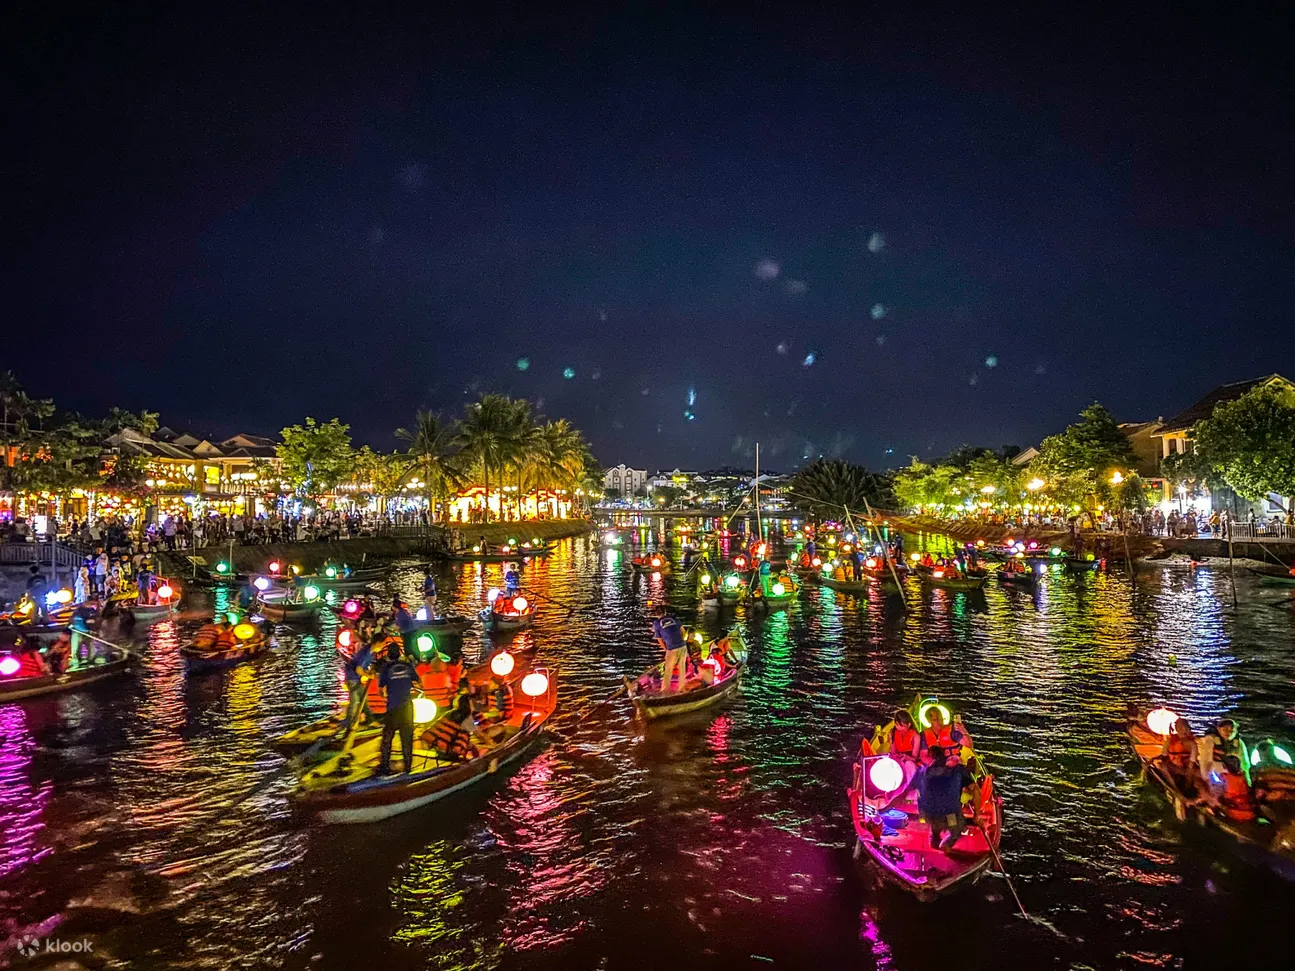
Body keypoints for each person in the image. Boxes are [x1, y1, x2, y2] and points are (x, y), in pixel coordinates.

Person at [918, 745, 978, 850]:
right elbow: (975, 790)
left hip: (927, 814)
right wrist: (977, 814)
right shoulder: (958, 770)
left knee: (935, 816)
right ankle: (947, 844)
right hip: (949, 814)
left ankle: (935, 836)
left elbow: (911, 789)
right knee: (956, 828)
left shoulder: (922, 771)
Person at [377, 644, 417, 775]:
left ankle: (384, 766)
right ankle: (408, 767)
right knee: (407, 740)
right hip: (407, 707)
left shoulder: (386, 668)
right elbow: (418, 682)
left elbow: (381, 690)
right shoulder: (408, 666)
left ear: (388, 655)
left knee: (387, 738)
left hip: (393, 707)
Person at [651, 605, 688, 694]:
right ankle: (682, 688)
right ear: (665, 612)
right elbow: (683, 631)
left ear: (656, 614)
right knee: (682, 668)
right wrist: (682, 640)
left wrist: (666, 649)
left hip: (672, 648)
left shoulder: (657, 623)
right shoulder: (674, 619)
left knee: (668, 670)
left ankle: (664, 691)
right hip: (682, 646)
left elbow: (659, 639)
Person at [343, 635, 377, 729]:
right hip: (352, 677)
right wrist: (369, 675)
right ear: (378, 643)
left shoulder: (370, 652)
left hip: (357, 678)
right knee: (354, 701)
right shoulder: (366, 654)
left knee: (363, 699)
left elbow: (363, 668)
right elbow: (358, 670)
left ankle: (370, 719)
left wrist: (369, 672)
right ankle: (350, 724)